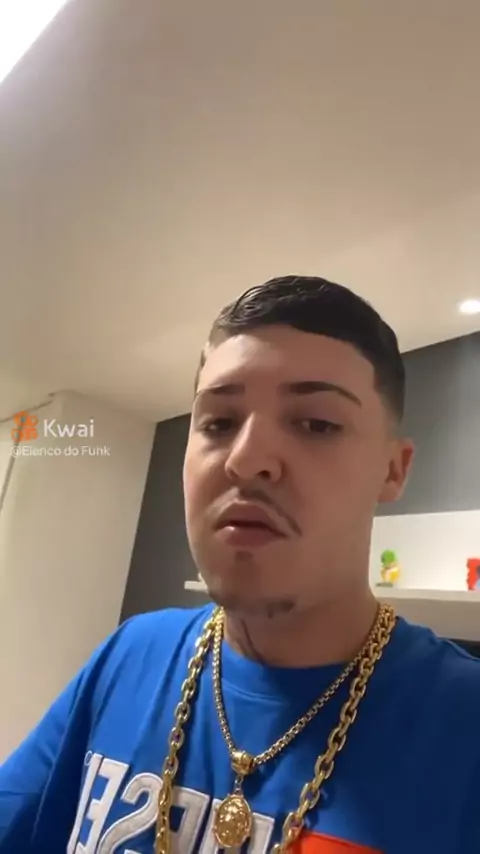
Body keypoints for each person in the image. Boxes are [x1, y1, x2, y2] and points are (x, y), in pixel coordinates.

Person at [1, 275, 479, 854]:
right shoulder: (130, 653)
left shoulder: (463, 721)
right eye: (219, 423)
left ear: (393, 470)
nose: (247, 459)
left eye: (317, 424)